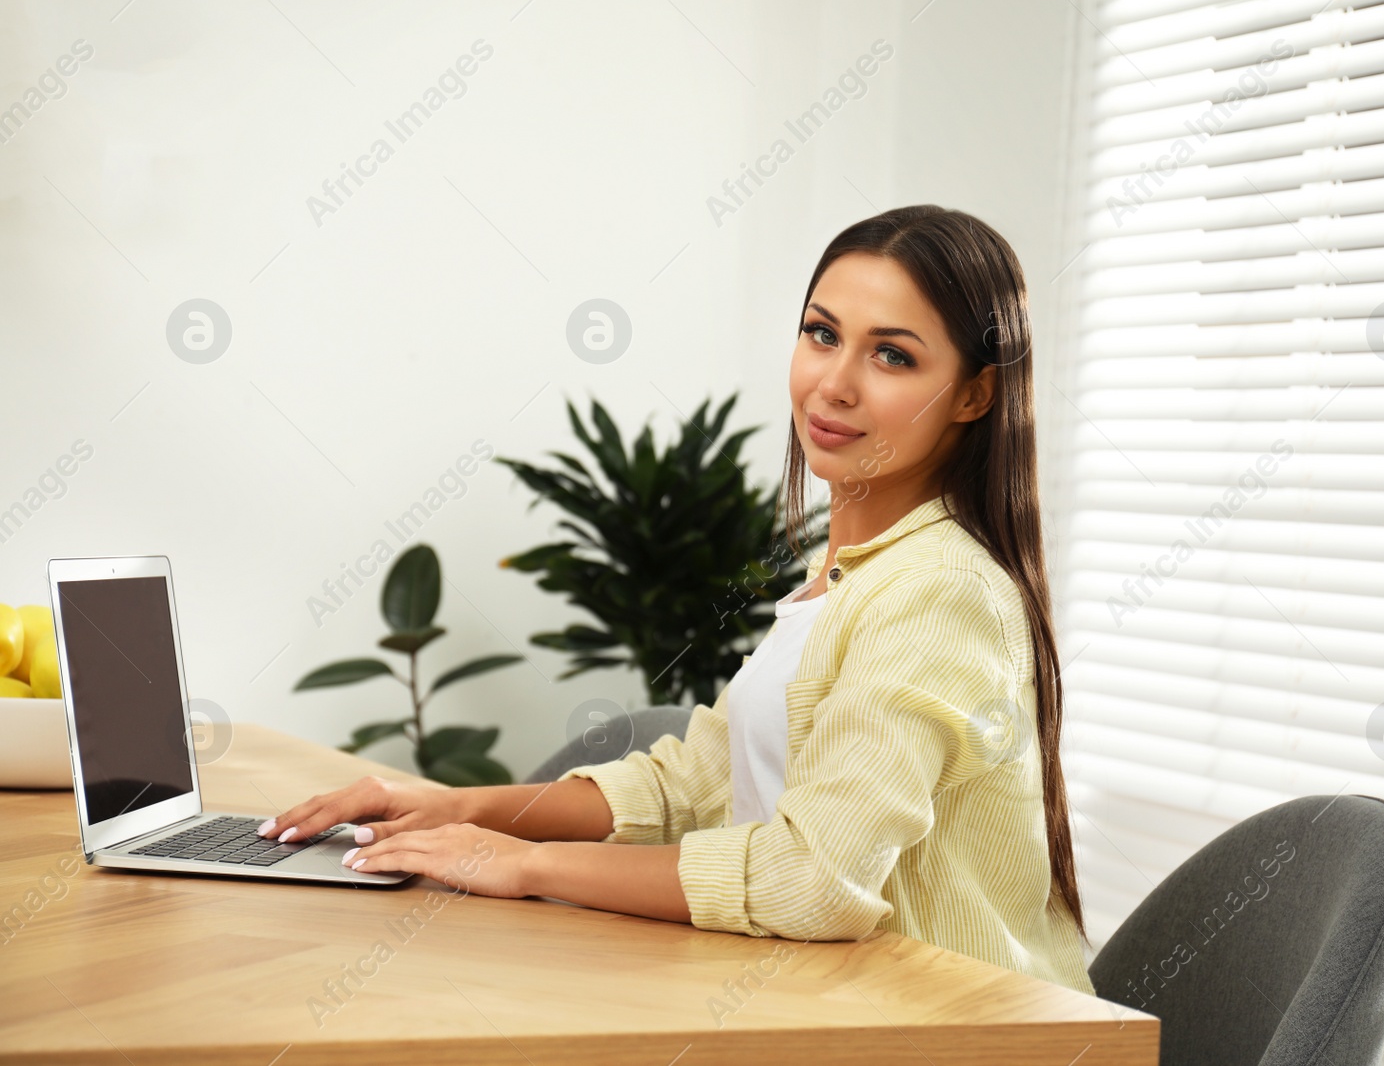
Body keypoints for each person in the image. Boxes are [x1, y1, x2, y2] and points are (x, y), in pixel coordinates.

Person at [259, 205, 1095, 994]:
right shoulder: (853, 579)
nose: (833, 383)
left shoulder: (941, 591)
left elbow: (814, 882)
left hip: (954, 1030)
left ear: (976, 394)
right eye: (821, 333)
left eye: (893, 355)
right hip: (826, 1002)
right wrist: (458, 807)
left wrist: (523, 863)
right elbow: (691, 784)